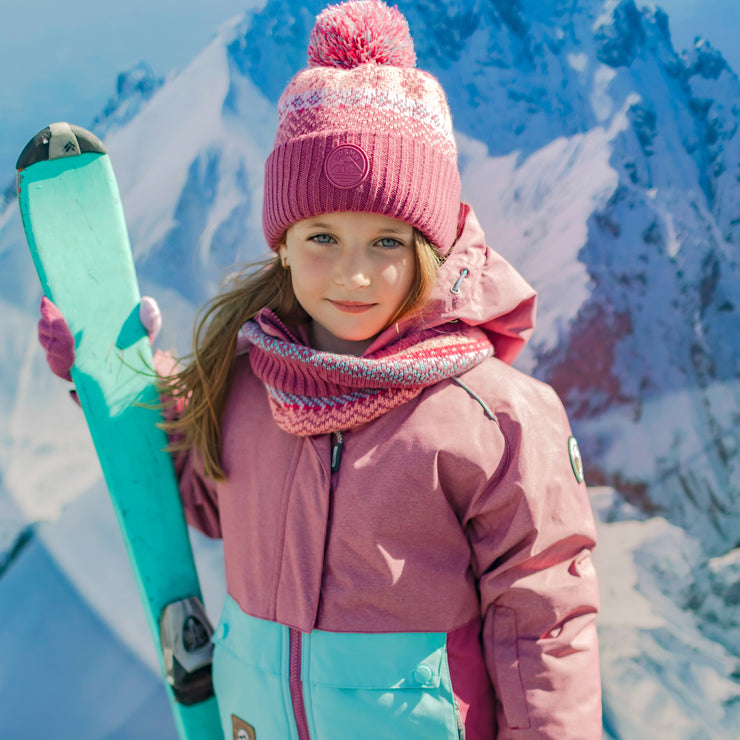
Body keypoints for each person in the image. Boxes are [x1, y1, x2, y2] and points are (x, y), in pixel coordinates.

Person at [38, 1, 602, 738]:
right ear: (283, 240)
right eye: (324, 237)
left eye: (386, 244)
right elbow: (198, 499)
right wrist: (113, 376)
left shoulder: (492, 418)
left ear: (428, 248)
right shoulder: (245, 385)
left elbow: (543, 624)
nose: (354, 276)